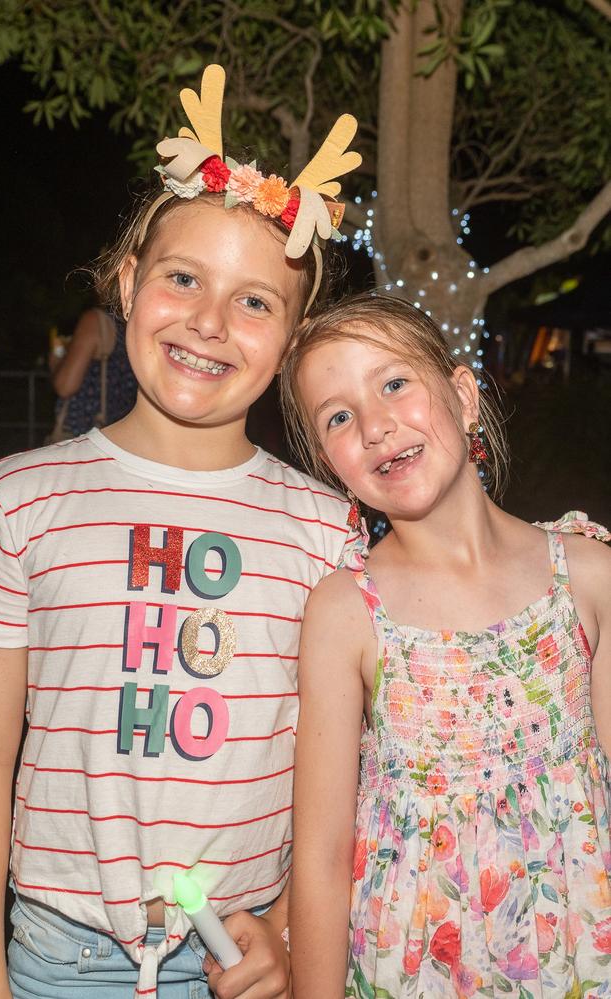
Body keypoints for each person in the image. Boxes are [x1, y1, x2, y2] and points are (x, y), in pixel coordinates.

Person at [0, 64, 361, 999]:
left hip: (247, 960)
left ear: (293, 340)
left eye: (256, 301)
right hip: (62, 959)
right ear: (128, 281)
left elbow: (346, 777)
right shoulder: (19, 500)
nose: (211, 322)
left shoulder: (328, 531)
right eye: (183, 278)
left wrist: (294, 932)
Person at [281, 293, 611, 998]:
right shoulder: (345, 612)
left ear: (463, 395)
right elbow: (319, 856)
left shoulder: (587, 575)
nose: (374, 425)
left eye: (394, 383)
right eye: (338, 416)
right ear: (327, 459)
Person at [48, 305, 137, 438]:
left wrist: (56, 362)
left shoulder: (96, 322)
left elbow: (65, 386)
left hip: (85, 433)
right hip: (123, 434)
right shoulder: (137, 323)